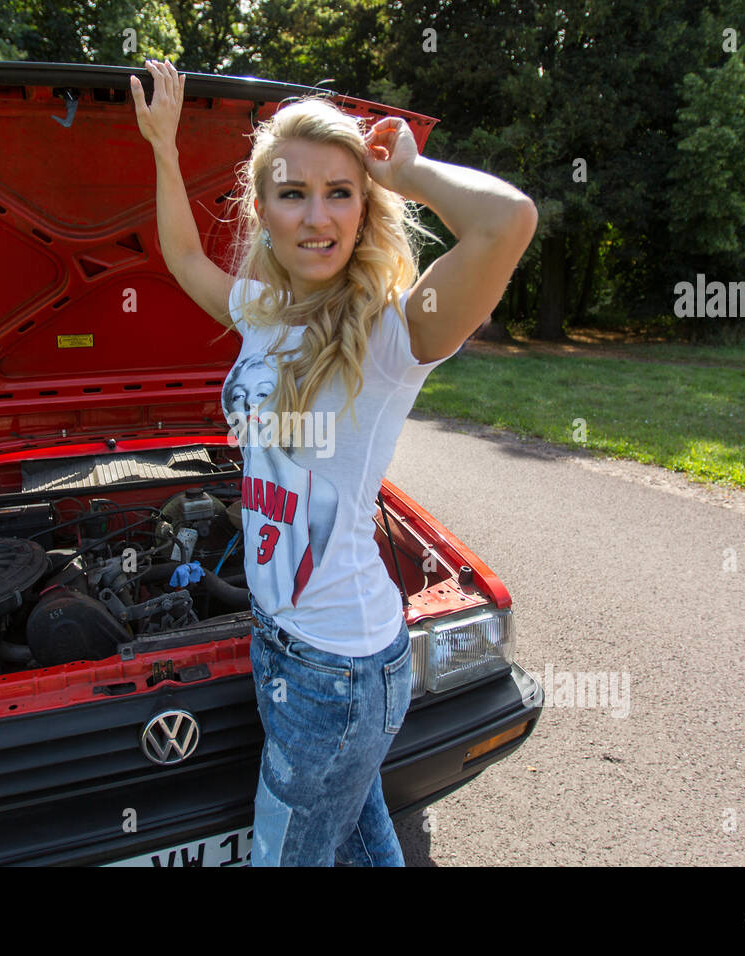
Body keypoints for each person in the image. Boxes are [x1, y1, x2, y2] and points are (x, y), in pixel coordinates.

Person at [131, 57, 538, 866]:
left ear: (364, 208)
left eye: (340, 193)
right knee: (358, 834)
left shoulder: (395, 334)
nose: (317, 218)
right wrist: (163, 145)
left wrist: (412, 172)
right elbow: (182, 258)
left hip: (341, 670)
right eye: (293, 193)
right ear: (263, 208)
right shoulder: (261, 311)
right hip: (277, 637)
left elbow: (508, 221)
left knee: (290, 854)